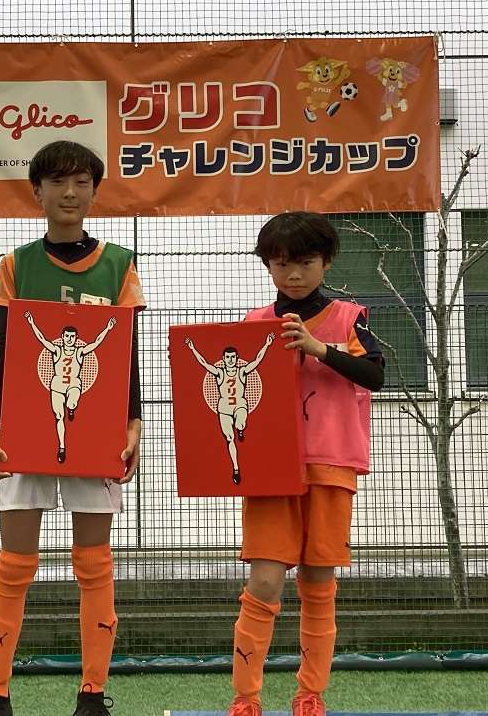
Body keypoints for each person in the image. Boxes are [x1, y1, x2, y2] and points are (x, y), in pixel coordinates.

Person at [0, 141, 145, 716]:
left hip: (97, 432)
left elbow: (127, 353)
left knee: (94, 564)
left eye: (81, 182)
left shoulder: (119, 264)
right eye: (57, 182)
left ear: (95, 191)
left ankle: (92, 696)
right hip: (25, 430)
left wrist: (134, 422)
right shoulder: (16, 264)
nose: (70, 193)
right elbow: (2, 349)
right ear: (37, 192)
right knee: (14, 564)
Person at [227, 212, 385, 716]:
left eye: (305, 263)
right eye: (281, 264)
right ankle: (246, 698)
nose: (293, 274)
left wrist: (319, 350)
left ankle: (310, 694)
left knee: (318, 582)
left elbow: (375, 374)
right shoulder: (253, 323)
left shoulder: (349, 317)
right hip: (270, 471)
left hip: (331, 466)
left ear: (326, 262)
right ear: (268, 266)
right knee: (264, 582)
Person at [24, 312, 117, 463]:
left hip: (73, 384)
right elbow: (42, 339)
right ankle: (62, 447)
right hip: (57, 386)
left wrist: (107, 328)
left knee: (71, 402)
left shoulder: (79, 352)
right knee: (59, 416)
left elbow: (96, 343)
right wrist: (32, 323)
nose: (69, 339)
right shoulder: (57, 350)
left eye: (72, 336)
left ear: (76, 338)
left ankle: (71, 407)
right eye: (67, 336)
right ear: (62, 337)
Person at [183, 333, 275, 484]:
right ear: (224, 359)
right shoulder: (219, 373)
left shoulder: (242, 371)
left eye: (233, 357)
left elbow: (257, 360)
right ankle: (236, 469)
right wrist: (192, 348)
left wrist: (267, 344)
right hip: (224, 410)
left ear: (237, 358)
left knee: (240, 423)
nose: (230, 360)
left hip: (240, 406)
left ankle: (240, 428)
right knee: (230, 438)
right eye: (227, 357)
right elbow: (204, 363)